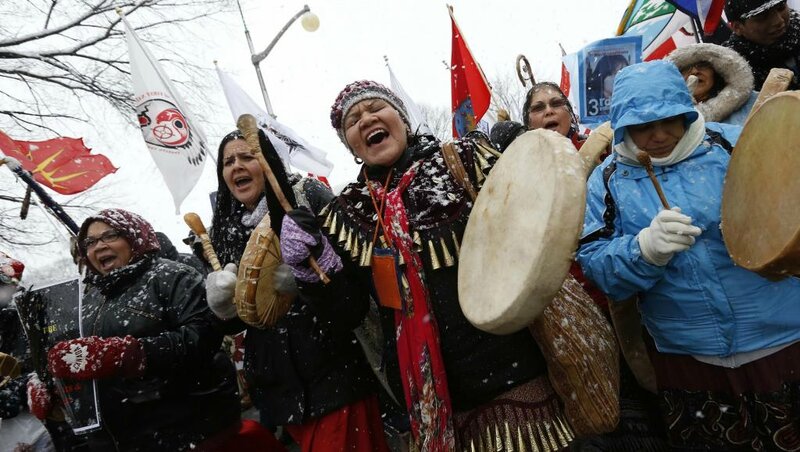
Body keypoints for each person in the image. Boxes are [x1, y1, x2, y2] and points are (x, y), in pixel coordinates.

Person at [284, 79, 577, 451]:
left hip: (512, 372)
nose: (366, 119)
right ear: (352, 146)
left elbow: (531, 233)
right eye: (352, 120)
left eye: (375, 108)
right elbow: (349, 310)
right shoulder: (347, 214)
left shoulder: (465, 161)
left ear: (403, 119)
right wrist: (311, 270)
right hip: (430, 402)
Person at [577, 60, 800, 450]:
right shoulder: (608, 180)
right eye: (643, 126)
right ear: (623, 125)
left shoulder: (736, 143)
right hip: (689, 361)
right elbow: (594, 262)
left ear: (687, 111)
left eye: (670, 120)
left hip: (784, 343)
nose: (659, 134)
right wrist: (642, 250)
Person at [204, 130, 388, 452]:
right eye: (228, 161)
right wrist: (225, 310)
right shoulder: (223, 231)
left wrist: (309, 279)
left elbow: (355, 284)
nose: (237, 166)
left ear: (269, 161)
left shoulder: (307, 197)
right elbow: (246, 322)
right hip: (282, 395)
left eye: (248, 156)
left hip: (336, 377)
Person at [41, 208, 242, 451]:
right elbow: (84, 362)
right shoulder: (88, 298)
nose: (99, 246)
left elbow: (202, 338)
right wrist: (56, 388)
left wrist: (132, 354)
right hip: (124, 440)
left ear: (135, 237)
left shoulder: (171, 275)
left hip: (188, 429)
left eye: (110, 235)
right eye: (90, 242)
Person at [667, 43, 758, 125]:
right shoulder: (666, 119)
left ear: (716, 71)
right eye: (686, 68)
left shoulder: (752, 102)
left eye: (702, 65)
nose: (695, 71)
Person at [723, 0, 800, 89]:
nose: (778, 21)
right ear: (737, 27)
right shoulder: (731, 71)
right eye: (763, 17)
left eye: (781, 8)